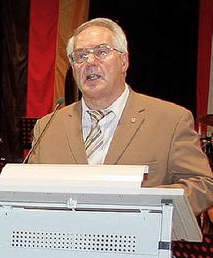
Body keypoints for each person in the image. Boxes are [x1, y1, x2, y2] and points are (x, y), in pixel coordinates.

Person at [28, 17, 213, 216]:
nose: (90, 62)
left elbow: (202, 184)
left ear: (124, 61)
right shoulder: (48, 127)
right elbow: (26, 193)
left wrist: (147, 205)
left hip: (138, 241)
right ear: (73, 67)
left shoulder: (171, 120)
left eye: (101, 52)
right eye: (80, 56)